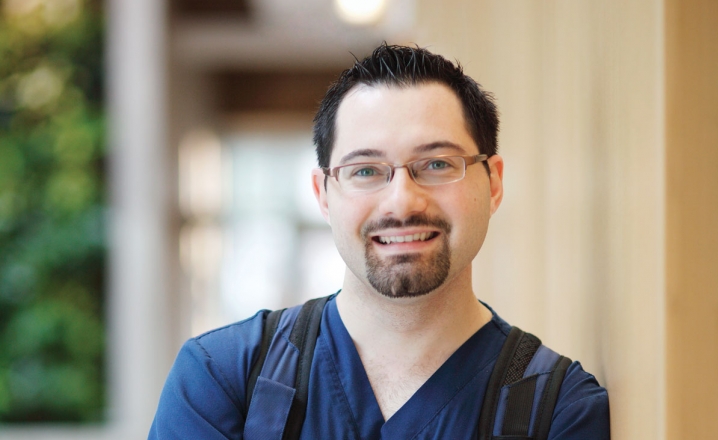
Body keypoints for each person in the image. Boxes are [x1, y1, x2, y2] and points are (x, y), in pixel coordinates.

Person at [149, 44, 610, 439]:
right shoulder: (225, 378)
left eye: (437, 164)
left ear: (492, 184)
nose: (402, 201)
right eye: (365, 171)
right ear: (323, 195)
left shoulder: (557, 408)